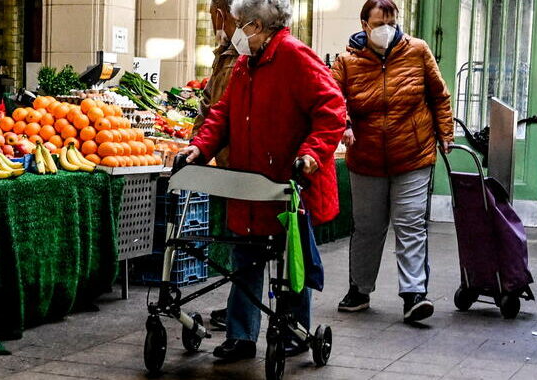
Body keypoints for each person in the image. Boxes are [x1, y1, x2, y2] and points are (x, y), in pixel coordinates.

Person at [181, 0, 346, 361]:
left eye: (240, 24)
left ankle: (294, 330)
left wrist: (311, 154)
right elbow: (223, 113)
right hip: (249, 181)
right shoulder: (245, 62)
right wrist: (199, 147)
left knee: (291, 261)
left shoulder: (295, 56)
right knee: (245, 259)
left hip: (287, 182)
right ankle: (241, 336)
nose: (236, 31)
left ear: (258, 25)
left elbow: (332, 110)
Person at [331, 0, 453, 322]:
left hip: (413, 153)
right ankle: (359, 290)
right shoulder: (346, 61)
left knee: (410, 224)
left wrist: (447, 133)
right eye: (379, 22)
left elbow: (439, 95)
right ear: (364, 25)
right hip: (367, 157)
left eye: (392, 21)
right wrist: (344, 123)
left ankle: (414, 295)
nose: (387, 28)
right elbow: (332, 99)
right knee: (368, 228)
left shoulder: (417, 50)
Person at [192, 0, 239, 330]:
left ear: (222, 15)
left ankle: (247, 312)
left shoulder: (249, 55)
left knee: (254, 244)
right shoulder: (224, 54)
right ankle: (239, 308)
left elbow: (220, 110)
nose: (213, 26)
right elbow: (211, 106)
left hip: (249, 162)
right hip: (228, 160)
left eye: (213, 18)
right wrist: (197, 147)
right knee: (240, 241)